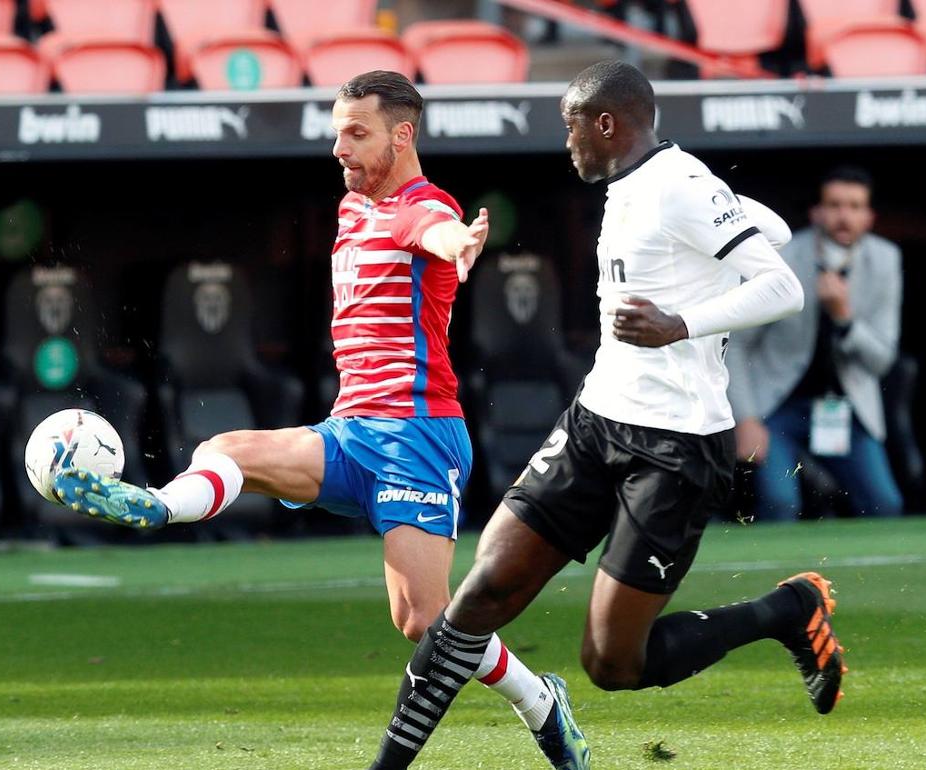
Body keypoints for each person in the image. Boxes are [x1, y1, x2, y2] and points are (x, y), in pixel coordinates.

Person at [54, 71, 588, 768]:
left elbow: (437, 231)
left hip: (416, 437)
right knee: (229, 450)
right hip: (351, 431)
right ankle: (155, 507)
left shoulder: (422, 206)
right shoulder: (352, 208)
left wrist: (460, 245)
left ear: (403, 136)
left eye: (356, 133)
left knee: (424, 622)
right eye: (336, 132)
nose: (339, 147)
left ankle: (540, 701)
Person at [364, 61, 845, 770]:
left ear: (608, 124)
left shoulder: (680, 186)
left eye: (571, 126)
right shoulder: (637, 185)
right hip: (596, 422)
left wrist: (680, 323)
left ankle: (787, 610)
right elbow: (753, 226)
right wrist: (737, 220)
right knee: (477, 597)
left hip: (678, 448)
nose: (567, 142)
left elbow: (783, 287)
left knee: (612, 662)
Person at [728, 166, 904, 521]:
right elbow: (737, 343)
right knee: (780, 502)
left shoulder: (885, 260)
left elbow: (882, 361)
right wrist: (745, 418)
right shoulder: (784, 256)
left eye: (855, 207)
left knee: (885, 503)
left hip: (847, 409)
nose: (844, 216)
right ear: (817, 212)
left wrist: (844, 319)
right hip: (778, 407)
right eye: (835, 205)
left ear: (869, 217)